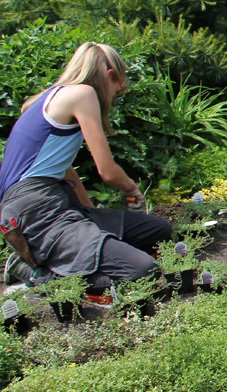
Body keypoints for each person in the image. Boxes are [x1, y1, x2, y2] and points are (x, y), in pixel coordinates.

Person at [0, 42, 171, 291]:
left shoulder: (47, 100)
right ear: (110, 76)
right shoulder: (83, 94)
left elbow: (66, 172)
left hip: (45, 201)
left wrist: (91, 216)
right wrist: (131, 189)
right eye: (117, 90)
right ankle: (36, 274)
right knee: (142, 271)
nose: (113, 96)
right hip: (37, 209)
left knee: (157, 230)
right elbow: (108, 171)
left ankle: (42, 259)